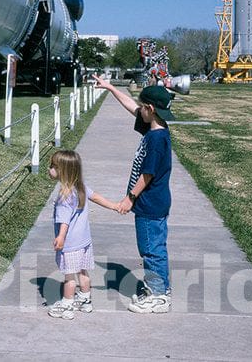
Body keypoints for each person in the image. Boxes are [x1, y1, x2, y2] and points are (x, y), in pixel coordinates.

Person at [93, 74, 174, 314]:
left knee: (151, 249)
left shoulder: (157, 140)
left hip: (149, 203)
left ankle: (158, 296)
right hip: (154, 202)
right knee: (154, 247)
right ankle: (159, 289)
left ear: (150, 109)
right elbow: (132, 107)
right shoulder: (157, 126)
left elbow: (147, 174)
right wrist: (110, 88)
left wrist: (129, 198)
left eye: (142, 108)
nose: (139, 110)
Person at [46, 149, 120, 319]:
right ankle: (85, 300)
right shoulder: (81, 188)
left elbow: (64, 222)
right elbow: (97, 198)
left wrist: (60, 237)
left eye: (52, 166)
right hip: (84, 242)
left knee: (69, 277)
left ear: (61, 171)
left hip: (70, 244)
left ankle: (67, 305)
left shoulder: (65, 196)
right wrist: (114, 206)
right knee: (83, 272)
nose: (49, 169)